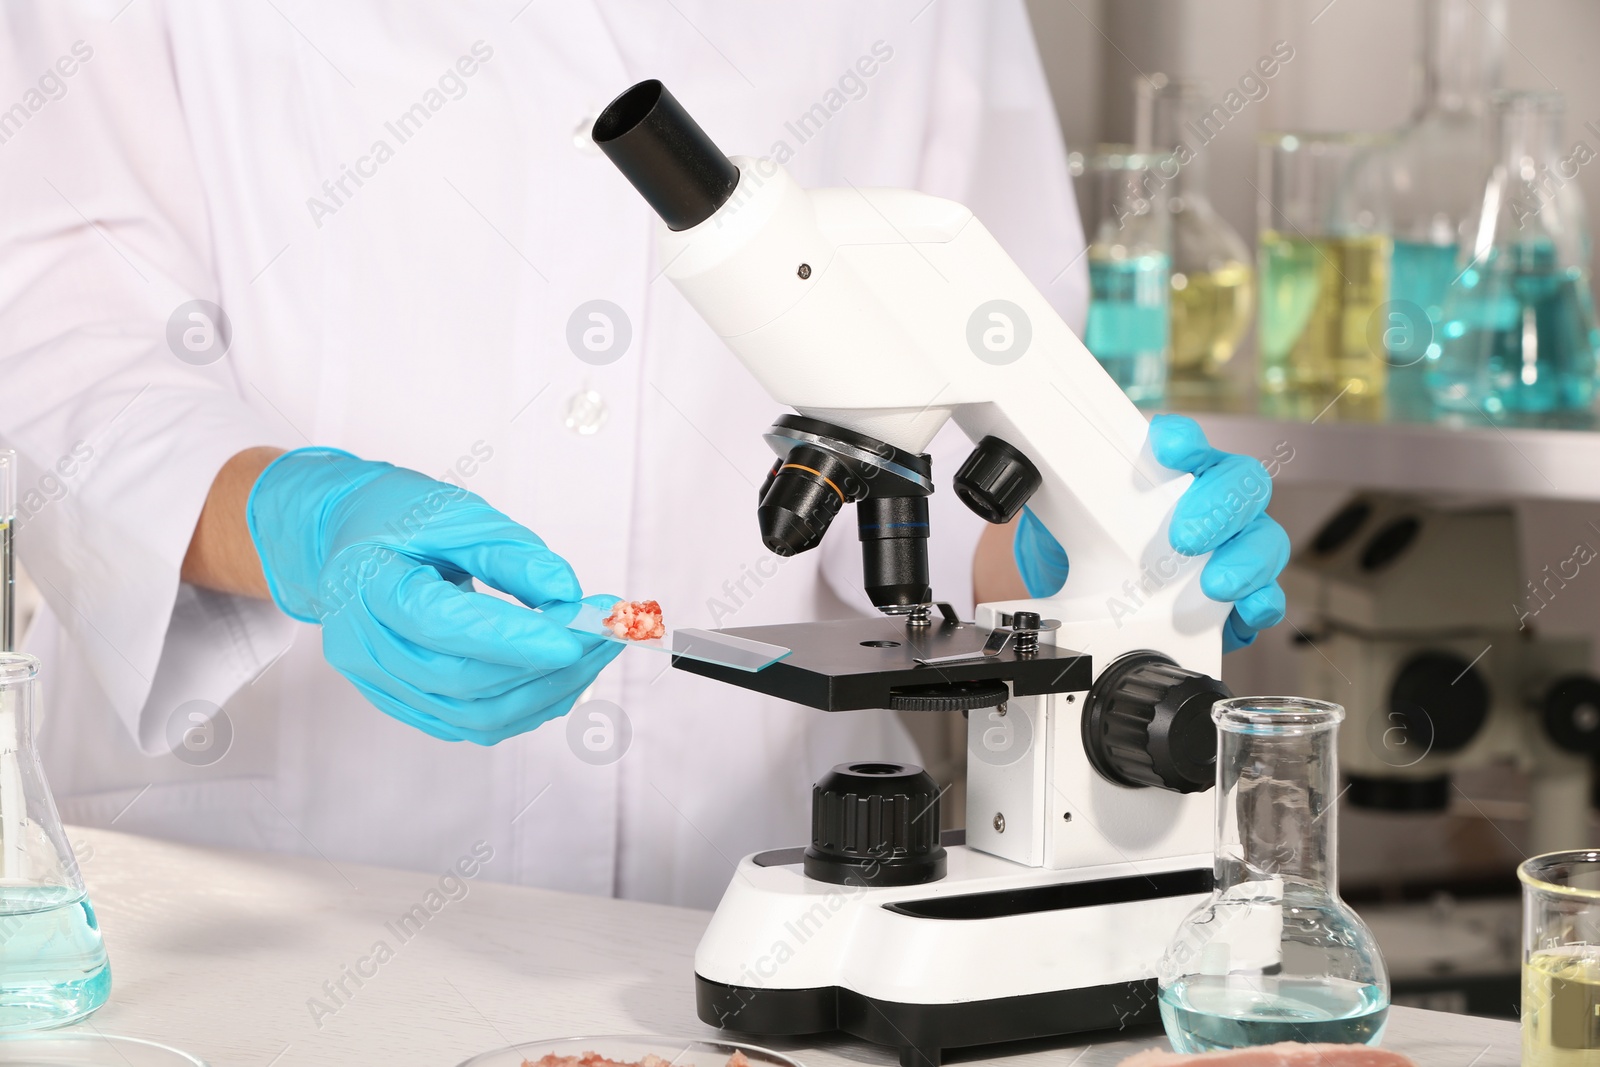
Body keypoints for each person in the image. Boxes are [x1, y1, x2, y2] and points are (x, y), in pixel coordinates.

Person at [0, 1, 1284, 907]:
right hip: (275, 880)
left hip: (737, 875)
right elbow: (57, 346)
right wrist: (298, 523)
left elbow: (973, 399)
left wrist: (1104, 541)